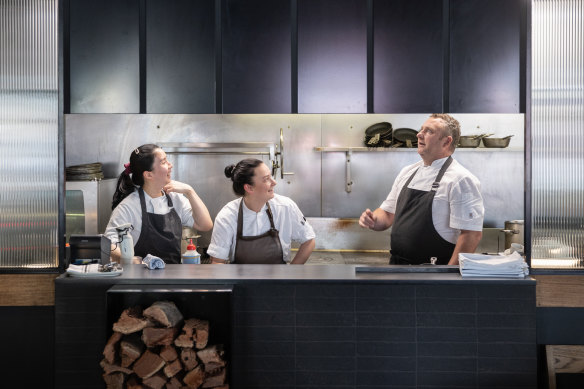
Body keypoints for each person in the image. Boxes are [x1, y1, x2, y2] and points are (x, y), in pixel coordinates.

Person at [359, 114, 484, 265]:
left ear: (446, 141)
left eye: (429, 131)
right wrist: (373, 220)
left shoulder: (461, 179)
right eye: (421, 129)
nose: (419, 134)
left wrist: (448, 277)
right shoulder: (408, 172)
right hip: (397, 267)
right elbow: (387, 213)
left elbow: (471, 234)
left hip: (434, 273)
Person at [105, 144, 213, 264]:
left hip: (173, 277)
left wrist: (190, 191)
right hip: (141, 278)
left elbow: (205, 225)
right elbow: (108, 245)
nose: (170, 165)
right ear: (148, 174)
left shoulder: (175, 198)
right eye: (164, 162)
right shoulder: (129, 207)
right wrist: (131, 261)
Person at [207, 158, 315, 264]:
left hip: (278, 279)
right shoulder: (227, 216)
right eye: (266, 179)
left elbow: (309, 240)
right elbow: (217, 262)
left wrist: (290, 276)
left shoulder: (285, 207)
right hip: (240, 281)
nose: (274, 182)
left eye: (271, 176)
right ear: (249, 188)